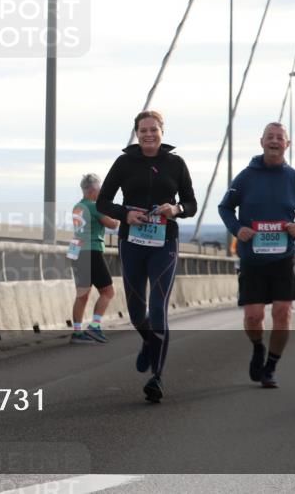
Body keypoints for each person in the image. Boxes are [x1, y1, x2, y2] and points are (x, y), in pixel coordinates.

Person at [97, 110, 196, 403]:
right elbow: (103, 201)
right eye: (143, 130)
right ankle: (150, 342)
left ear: (162, 131)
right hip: (133, 243)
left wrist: (175, 209)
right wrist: (125, 214)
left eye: (153, 129)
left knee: (158, 308)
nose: (149, 135)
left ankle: (157, 378)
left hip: (164, 243)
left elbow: (191, 202)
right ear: (136, 133)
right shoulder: (125, 162)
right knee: (138, 313)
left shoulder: (175, 163)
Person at [218, 122, 295, 389]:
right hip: (253, 259)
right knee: (253, 316)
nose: (274, 141)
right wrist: (238, 229)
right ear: (261, 142)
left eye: (279, 138)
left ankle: (271, 365)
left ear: (287, 144)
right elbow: (225, 208)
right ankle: (258, 347)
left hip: (284, 258)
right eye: (270, 137)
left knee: (283, 313)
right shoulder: (246, 177)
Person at [67, 173, 120, 344]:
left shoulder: (78, 206)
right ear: (93, 190)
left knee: (82, 294)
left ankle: (77, 332)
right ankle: (95, 326)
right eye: (100, 189)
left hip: (76, 251)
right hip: (92, 251)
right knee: (108, 291)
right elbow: (112, 224)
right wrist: (118, 214)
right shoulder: (94, 206)